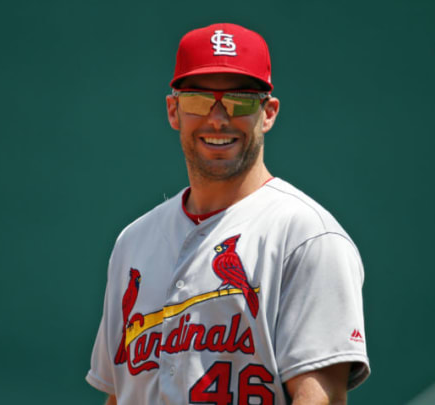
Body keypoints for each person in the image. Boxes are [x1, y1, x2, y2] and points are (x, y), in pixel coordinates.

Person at [86, 23, 370, 405]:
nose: (218, 119)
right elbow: (122, 394)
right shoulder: (133, 242)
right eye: (199, 101)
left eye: (240, 101)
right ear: (174, 110)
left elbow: (321, 398)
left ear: (268, 113)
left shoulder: (306, 236)